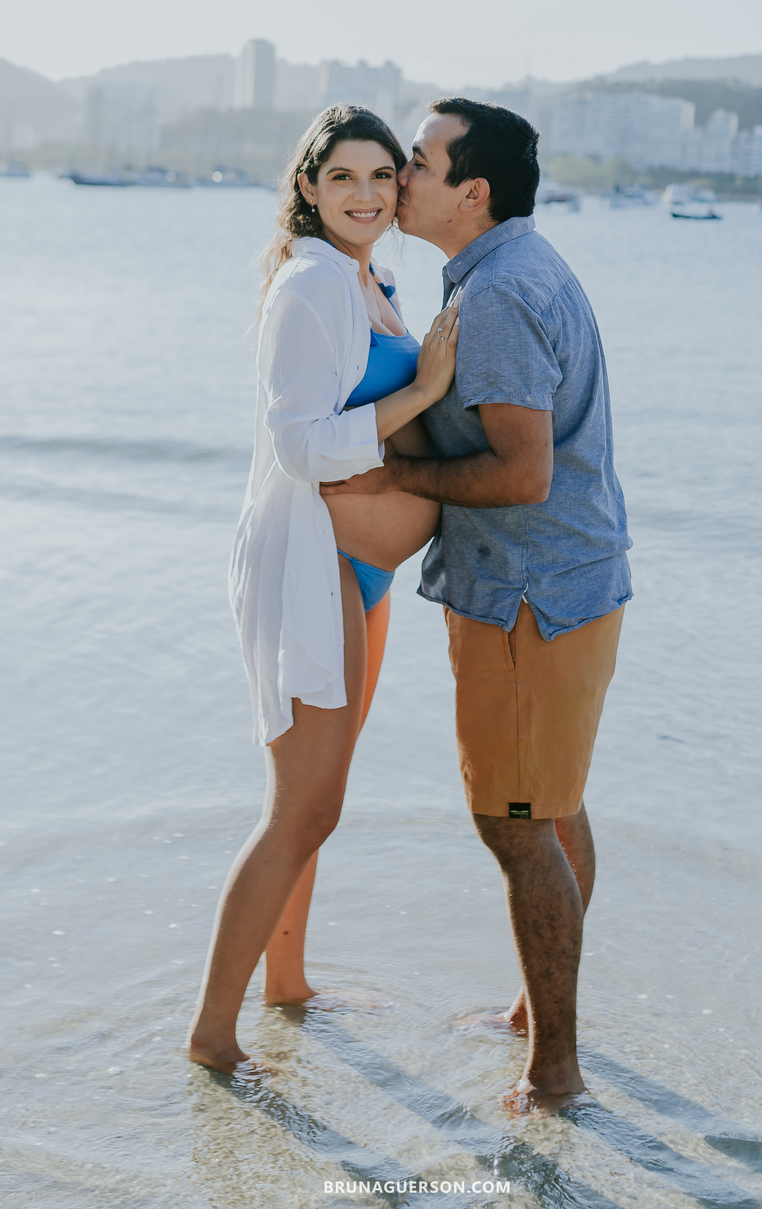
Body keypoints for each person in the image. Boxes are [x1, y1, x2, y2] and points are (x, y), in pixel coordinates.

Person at [323, 99, 631, 1108]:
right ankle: (534, 1018)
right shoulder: (513, 271)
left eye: (416, 161)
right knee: (555, 805)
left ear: (473, 191)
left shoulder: (498, 295)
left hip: (526, 599)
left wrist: (397, 485)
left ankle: (555, 1071)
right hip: (570, 585)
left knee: (515, 826)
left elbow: (520, 474)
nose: (399, 177)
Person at [187, 104, 460, 1072]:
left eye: (382, 177)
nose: (366, 194)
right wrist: (423, 392)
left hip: (364, 571)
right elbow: (299, 445)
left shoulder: (370, 278)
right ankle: (212, 1038)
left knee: (322, 798)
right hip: (312, 561)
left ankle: (288, 987)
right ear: (308, 188)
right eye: (342, 177)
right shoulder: (309, 284)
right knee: (302, 805)